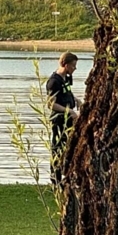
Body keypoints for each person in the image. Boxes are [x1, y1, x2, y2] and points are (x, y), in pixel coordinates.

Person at [47, 51, 79, 184]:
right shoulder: (54, 81)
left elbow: (67, 93)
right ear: (65, 65)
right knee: (58, 148)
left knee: (69, 147)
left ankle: (67, 176)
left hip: (68, 120)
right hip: (59, 119)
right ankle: (55, 178)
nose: (75, 69)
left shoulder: (67, 77)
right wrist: (69, 111)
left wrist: (76, 100)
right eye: (73, 66)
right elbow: (51, 104)